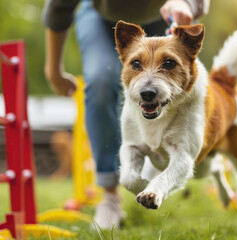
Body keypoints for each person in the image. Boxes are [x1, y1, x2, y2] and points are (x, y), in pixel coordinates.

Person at [42, 0, 209, 230]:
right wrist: (53, 69)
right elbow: (59, 7)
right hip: (99, 18)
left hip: (168, 12)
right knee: (100, 80)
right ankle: (110, 196)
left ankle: (161, 162)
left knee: (180, 87)